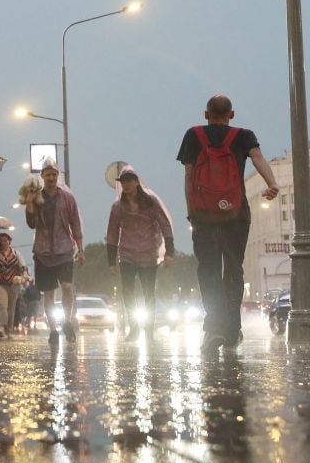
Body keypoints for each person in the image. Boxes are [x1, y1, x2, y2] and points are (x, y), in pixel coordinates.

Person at [177, 95, 278, 354]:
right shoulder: (244, 136)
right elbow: (257, 157)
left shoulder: (193, 135)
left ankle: (214, 328)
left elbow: (189, 177)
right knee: (233, 269)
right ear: (231, 114)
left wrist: (192, 212)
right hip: (236, 215)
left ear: (206, 114)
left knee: (209, 270)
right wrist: (272, 184)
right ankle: (232, 332)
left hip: (204, 216)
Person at [105, 166, 175, 341]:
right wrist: (111, 261)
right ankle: (134, 328)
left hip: (148, 253)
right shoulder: (118, 206)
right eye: (123, 182)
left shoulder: (151, 202)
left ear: (137, 182)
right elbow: (112, 233)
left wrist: (169, 251)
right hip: (127, 253)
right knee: (127, 291)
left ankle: (149, 330)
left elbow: (165, 225)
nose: (126, 185)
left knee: (148, 293)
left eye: (130, 181)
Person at [24, 160, 84, 344]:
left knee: (67, 287)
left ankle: (67, 321)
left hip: (64, 249)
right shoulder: (36, 197)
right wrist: (29, 204)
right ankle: (52, 330)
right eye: (48, 175)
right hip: (43, 252)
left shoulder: (67, 198)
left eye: (54, 174)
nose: (51, 178)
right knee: (48, 293)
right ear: (42, 176)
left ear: (58, 176)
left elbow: (75, 223)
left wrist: (81, 249)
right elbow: (31, 224)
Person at [0, 229, 28, 338]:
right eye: (1, 240)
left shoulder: (16, 253)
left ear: (9, 242)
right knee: (2, 305)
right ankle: (1, 326)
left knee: (11, 308)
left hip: (13, 284)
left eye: (5, 240)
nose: (3, 242)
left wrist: (24, 275)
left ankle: (9, 330)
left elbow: (23, 265)